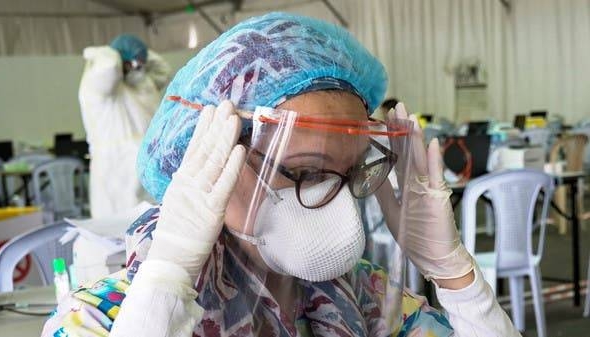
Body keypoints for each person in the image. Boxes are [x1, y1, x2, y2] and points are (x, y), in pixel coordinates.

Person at [44, 13, 520, 337]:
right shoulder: (100, 317)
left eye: (350, 174)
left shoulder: (364, 299)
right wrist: (165, 282)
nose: (336, 204)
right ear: (208, 154)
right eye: (307, 172)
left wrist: (456, 276)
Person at [79, 34, 171, 218]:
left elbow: (164, 70)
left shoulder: (142, 82)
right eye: (130, 63)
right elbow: (109, 68)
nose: (134, 68)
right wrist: (110, 51)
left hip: (150, 169)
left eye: (138, 64)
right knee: (119, 234)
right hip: (116, 173)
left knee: (153, 231)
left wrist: (138, 53)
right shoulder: (98, 85)